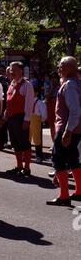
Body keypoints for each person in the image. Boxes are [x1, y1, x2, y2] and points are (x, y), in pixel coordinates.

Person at [46, 57, 81, 206]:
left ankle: (64, 196)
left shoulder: (70, 85)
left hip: (67, 128)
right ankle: (79, 192)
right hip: (75, 128)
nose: (59, 69)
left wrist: (68, 131)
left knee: (58, 159)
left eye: (61, 66)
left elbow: (75, 110)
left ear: (70, 68)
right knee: (73, 158)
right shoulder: (76, 84)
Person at [4, 61, 34, 176]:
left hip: (21, 117)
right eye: (11, 70)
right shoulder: (11, 84)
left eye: (14, 69)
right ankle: (19, 166)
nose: (12, 72)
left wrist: (27, 119)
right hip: (12, 118)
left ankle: (26, 168)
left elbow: (29, 104)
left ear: (21, 70)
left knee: (24, 143)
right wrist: (5, 116)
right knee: (15, 143)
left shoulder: (27, 85)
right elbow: (9, 103)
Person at [29, 87, 47, 163]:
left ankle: (39, 156)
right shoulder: (28, 101)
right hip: (29, 120)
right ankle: (27, 155)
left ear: (36, 93)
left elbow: (44, 114)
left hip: (36, 120)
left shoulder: (40, 102)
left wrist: (41, 120)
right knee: (27, 138)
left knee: (37, 140)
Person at [45, 71, 60, 143]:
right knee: (51, 124)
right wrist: (52, 88)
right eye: (52, 78)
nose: (53, 79)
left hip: (58, 104)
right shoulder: (48, 84)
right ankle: (54, 142)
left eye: (55, 78)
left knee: (59, 123)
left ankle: (58, 141)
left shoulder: (61, 84)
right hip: (50, 104)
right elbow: (47, 97)